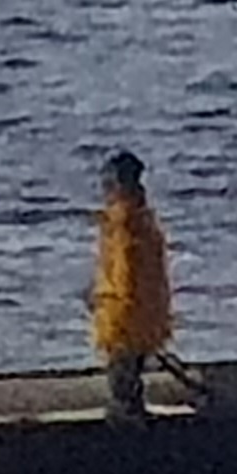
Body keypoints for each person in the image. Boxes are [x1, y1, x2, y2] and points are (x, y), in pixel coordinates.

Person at [88, 149, 174, 423]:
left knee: (123, 382)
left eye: (108, 184)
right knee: (129, 375)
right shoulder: (142, 221)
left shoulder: (125, 226)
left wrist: (102, 300)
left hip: (124, 319)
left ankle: (126, 421)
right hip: (141, 314)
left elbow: (127, 277)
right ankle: (131, 413)